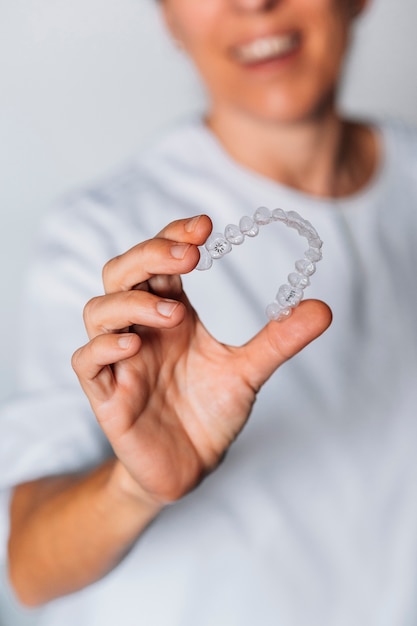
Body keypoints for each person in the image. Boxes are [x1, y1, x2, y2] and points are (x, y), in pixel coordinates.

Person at [2, 0, 417, 624]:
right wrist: (134, 488)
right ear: (168, 16)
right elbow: (28, 568)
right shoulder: (102, 240)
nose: (255, 3)